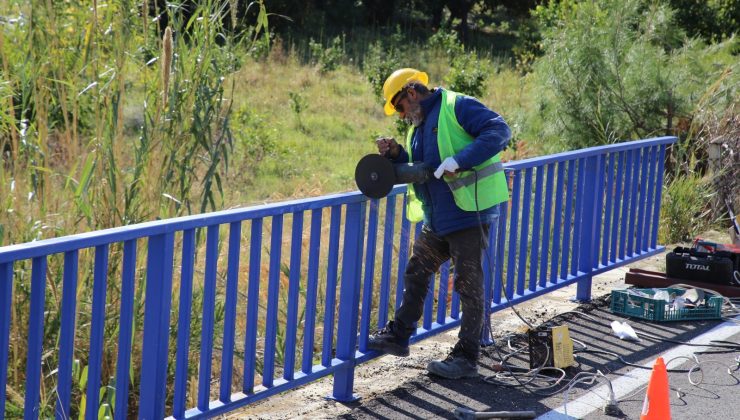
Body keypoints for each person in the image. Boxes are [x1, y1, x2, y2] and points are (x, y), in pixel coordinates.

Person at [367, 68, 511, 379]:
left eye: (401, 107)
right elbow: (427, 167)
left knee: (468, 285)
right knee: (417, 271)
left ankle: (466, 357)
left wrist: (461, 159)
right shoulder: (417, 127)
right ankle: (399, 335)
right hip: (440, 218)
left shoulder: (456, 106)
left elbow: (499, 131)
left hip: (469, 214)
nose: (402, 115)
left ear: (412, 93)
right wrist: (396, 154)